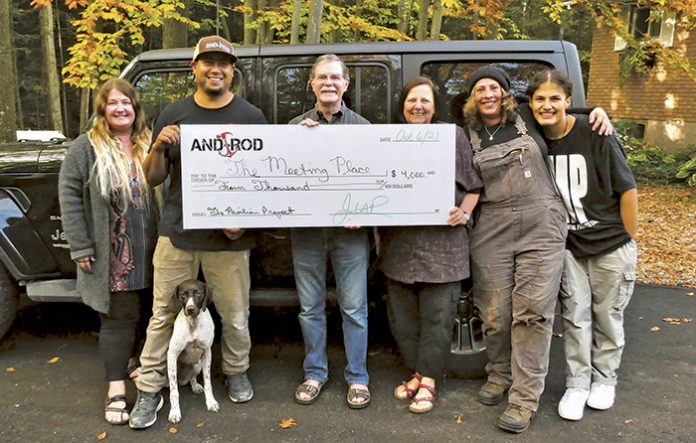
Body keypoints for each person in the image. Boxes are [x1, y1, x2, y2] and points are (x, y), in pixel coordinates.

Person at [458, 65, 612, 433]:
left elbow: (562, 110)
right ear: (472, 98)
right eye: (480, 89)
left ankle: (524, 400)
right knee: (494, 313)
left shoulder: (527, 115)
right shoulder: (465, 132)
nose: (488, 94)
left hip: (541, 223)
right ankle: (499, 374)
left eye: (494, 87)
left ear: (506, 93)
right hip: (491, 226)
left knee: (533, 314)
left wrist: (598, 111)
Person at [128, 35, 268, 429]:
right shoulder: (174, 113)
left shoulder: (251, 117)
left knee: (235, 315)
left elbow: (265, 179)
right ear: (195, 68)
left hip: (229, 240)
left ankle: (236, 371)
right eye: (208, 62)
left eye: (223, 63)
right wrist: (158, 147)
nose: (215, 69)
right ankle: (150, 388)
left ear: (232, 71)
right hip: (178, 235)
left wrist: (245, 220)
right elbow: (153, 177)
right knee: (162, 314)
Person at [527, 69, 638, 421]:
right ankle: (577, 384)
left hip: (611, 244)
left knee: (607, 316)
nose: (547, 105)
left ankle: (605, 380)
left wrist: (629, 239)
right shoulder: (533, 137)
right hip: (570, 246)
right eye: (540, 99)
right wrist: (593, 107)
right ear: (531, 103)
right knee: (575, 317)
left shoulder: (595, 133)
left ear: (568, 101)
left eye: (555, 98)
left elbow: (628, 190)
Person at [58, 78, 158, 425]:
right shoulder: (86, 148)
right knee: (118, 320)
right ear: (102, 109)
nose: (120, 109)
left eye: (126, 102)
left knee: (151, 315)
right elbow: (69, 195)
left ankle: (139, 367)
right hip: (113, 254)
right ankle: (115, 388)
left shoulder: (150, 142)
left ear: (135, 108)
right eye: (113, 103)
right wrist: (80, 245)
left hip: (154, 251)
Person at [380, 76, 482, 414]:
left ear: (435, 106)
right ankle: (417, 373)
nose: (418, 106)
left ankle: (429, 382)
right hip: (400, 249)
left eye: (425, 100)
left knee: (438, 320)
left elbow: (474, 186)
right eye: (412, 100)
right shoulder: (388, 141)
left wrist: (464, 213)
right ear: (403, 105)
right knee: (405, 322)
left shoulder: (452, 137)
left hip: (443, 247)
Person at [288, 54, 372, 409]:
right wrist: (295, 142)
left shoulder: (363, 128)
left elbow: (375, 181)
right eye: (322, 77)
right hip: (306, 233)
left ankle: (358, 378)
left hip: (349, 235)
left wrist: (363, 212)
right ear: (312, 83)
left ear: (346, 83)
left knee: (354, 308)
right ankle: (315, 373)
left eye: (335, 77)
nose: (329, 83)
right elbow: (280, 179)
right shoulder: (294, 127)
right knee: (310, 308)